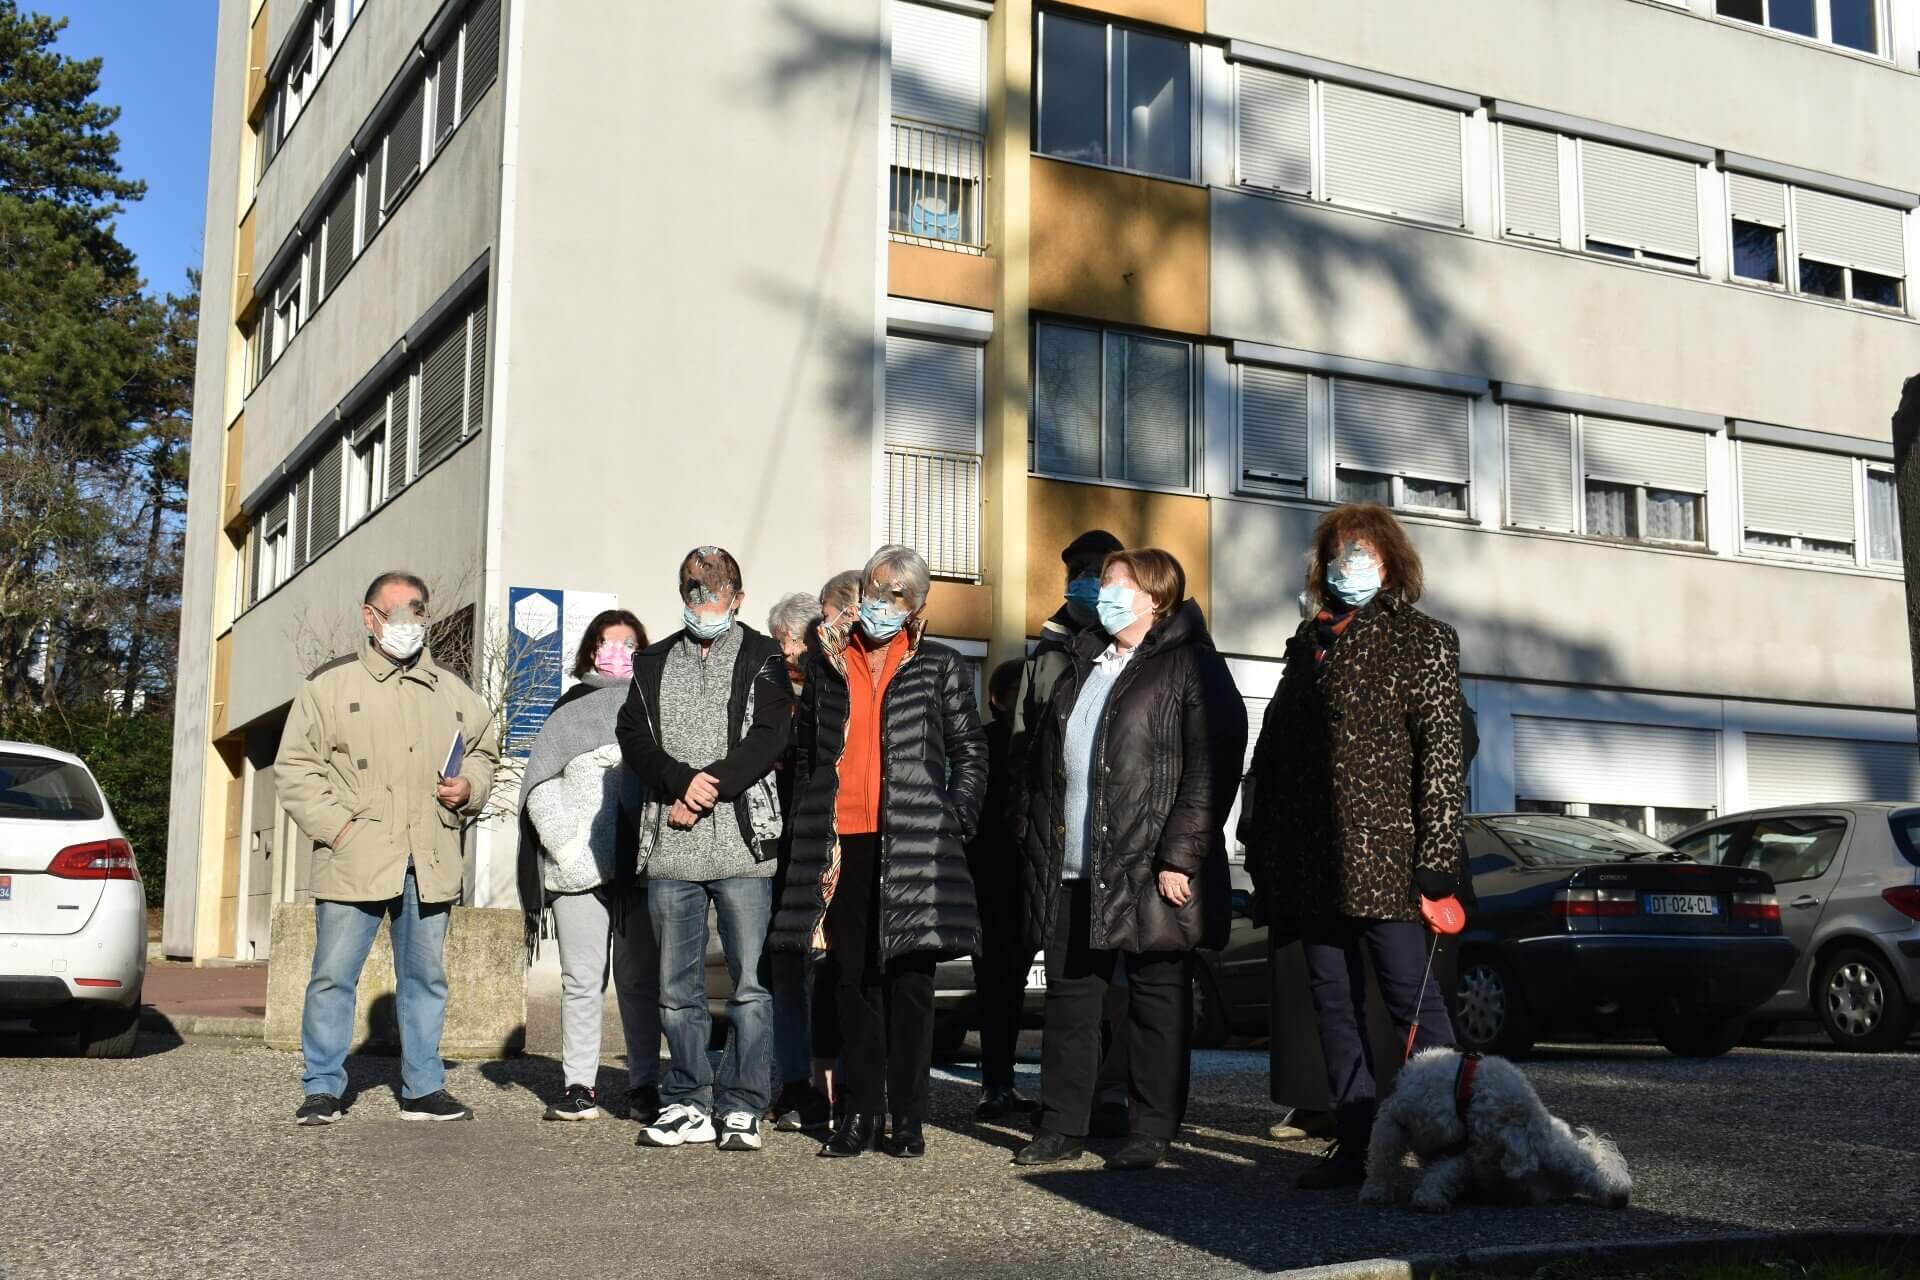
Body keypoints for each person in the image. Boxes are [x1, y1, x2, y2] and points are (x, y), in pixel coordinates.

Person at [1244, 503, 1467, 1190]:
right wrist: (1258, 836)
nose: (1351, 564)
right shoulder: (1306, 643)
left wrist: (1436, 858)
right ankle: (1357, 1140)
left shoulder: (1422, 639)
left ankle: (1453, 1145)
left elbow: (1443, 756)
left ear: (1392, 560)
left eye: (1365, 551)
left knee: (1413, 1004)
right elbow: (1275, 749)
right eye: (1340, 552)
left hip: (1390, 861)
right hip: (1311, 864)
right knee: (1332, 1005)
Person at [1012, 548, 1245, 1171]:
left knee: (1156, 1000)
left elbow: (1211, 771)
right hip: (1074, 860)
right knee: (1069, 999)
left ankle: (1152, 1129)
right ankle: (1062, 1124)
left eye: (1116, 584)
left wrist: (1181, 856)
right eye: (1101, 584)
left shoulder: (1191, 665)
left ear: (1155, 598)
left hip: (1150, 863)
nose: (1101, 593)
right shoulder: (1083, 663)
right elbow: (1045, 765)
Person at [771, 545, 988, 1159]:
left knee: (910, 983)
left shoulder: (939, 665)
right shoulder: (828, 666)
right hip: (844, 843)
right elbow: (810, 755)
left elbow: (970, 750)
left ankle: (909, 1116)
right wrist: (810, 821)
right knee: (853, 980)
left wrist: (956, 819)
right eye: (873, 588)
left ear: (916, 604)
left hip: (916, 840)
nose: (881, 602)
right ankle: (857, 1113)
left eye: (895, 593)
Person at [275, 571, 499, 1126]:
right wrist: (340, 829)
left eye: (417, 612)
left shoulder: (453, 692)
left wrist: (471, 785)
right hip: (355, 856)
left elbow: (485, 752)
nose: (408, 623)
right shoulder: (328, 687)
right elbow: (295, 768)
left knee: (425, 979)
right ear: (368, 616)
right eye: (395, 612)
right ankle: (323, 1088)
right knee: (332, 977)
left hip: (428, 858)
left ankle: (423, 1089)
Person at [616, 547, 793, 1152]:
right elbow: (632, 734)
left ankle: (743, 1102)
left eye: (713, 594)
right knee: (677, 987)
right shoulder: (653, 659)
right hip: (670, 845)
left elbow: (771, 736)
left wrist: (706, 785)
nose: (702, 604)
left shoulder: (765, 656)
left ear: (738, 598)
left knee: (750, 985)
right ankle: (687, 1100)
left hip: (744, 846)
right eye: (692, 592)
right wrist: (676, 781)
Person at [515, 609, 663, 1122]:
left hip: (638, 872)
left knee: (639, 981)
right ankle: (579, 1084)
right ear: (590, 650)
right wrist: (570, 849)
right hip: (578, 874)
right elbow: (538, 785)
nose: (617, 652)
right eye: (607, 642)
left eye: (628, 643)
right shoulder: (568, 710)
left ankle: (645, 1082)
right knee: (581, 980)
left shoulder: (656, 704)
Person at [1020, 528, 1132, 1134]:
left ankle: (1114, 1094)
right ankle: (1063, 1114)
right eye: (1077, 570)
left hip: (1123, 850)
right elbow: (1027, 741)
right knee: (1068, 989)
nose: (1086, 581)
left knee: (1122, 988)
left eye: (1096, 569)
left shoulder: (1147, 650)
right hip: (1061, 845)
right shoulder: (1052, 646)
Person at [765, 590, 829, 1133]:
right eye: (783, 647)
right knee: (782, 970)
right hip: (775, 848)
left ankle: (823, 1083)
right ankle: (790, 1082)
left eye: (796, 647)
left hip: (819, 844)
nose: (791, 659)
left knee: (820, 973)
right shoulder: (768, 695)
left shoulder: (834, 690)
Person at [969, 659, 1035, 1121]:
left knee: (1003, 989)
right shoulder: (984, 745)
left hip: (1017, 879)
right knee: (999, 988)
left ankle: (999, 1083)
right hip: (994, 881)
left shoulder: (1034, 742)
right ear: (997, 700)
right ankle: (997, 1083)